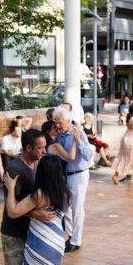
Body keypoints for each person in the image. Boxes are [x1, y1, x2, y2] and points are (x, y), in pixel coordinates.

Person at [0, 129, 56, 265]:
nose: (43, 151)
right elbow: (12, 207)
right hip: (14, 232)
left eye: (44, 147)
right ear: (28, 148)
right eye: (39, 148)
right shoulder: (14, 170)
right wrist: (35, 213)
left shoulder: (36, 164)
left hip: (31, 231)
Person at [50, 107, 93, 253]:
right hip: (65, 175)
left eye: (60, 122)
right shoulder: (60, 135)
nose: (57, 126)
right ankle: (70, 235)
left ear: (68, 121)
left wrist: (78, 140)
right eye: (56, 122)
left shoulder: (78, 133)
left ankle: (76, 240)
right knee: (65, 207)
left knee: (77, 208)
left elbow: (88, 156)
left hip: (79, 174)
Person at [110, 108, 133, 185]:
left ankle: (118, 175)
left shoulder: (132, 117)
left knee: (126, 157)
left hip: (129, 139)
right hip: (130, 140)